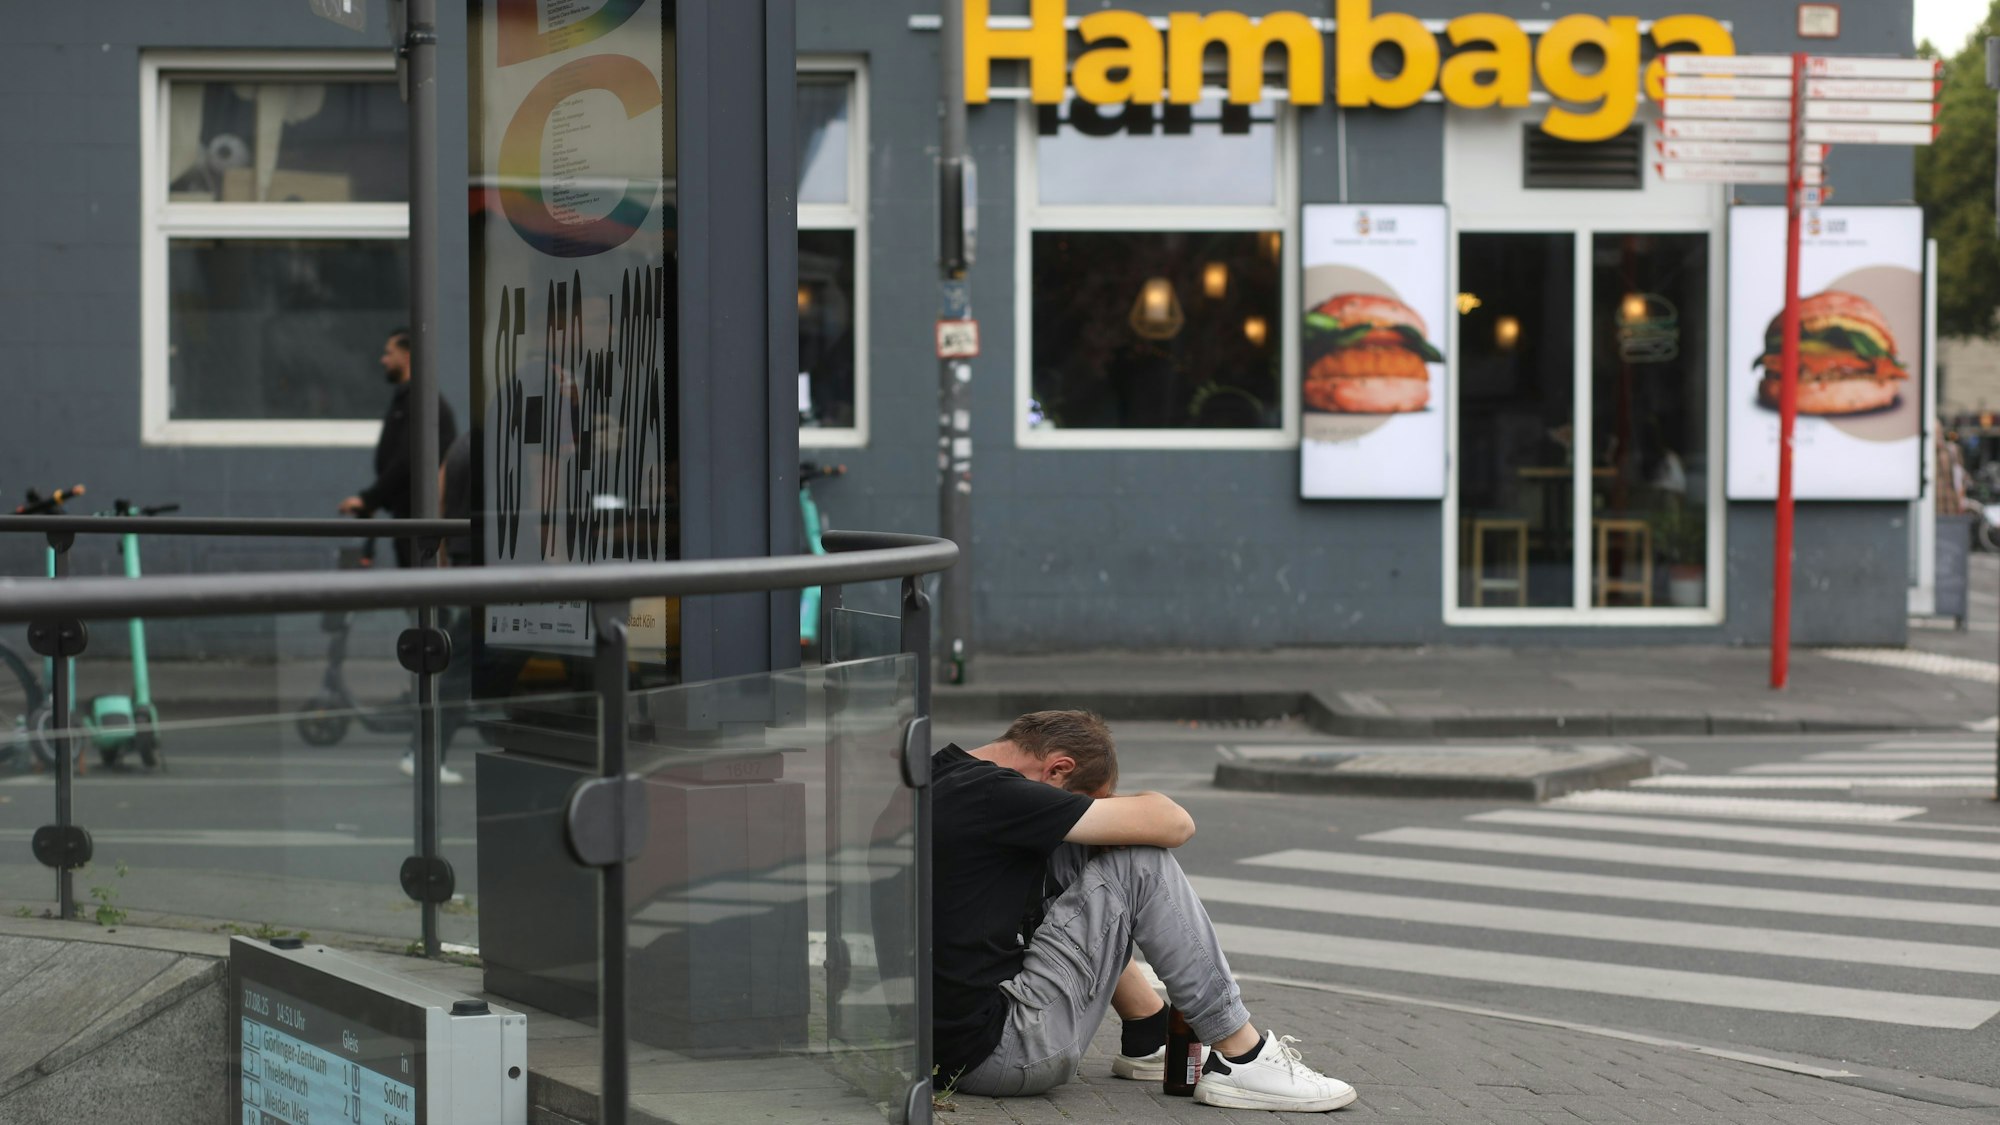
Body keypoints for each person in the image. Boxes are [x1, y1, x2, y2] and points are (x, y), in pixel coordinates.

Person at [933, 710, 1356, 1112]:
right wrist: (1117, 815)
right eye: (1088, 799)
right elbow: (1174, 823)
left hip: (935, 1046)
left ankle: (1149, 1029)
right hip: (999, 1054)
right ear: (1058, 769)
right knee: (1137, 861)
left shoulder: (940, 773)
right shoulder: (999, 795)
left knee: (1074, 848)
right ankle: (1242, 1056)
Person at [339, 328, 458, 568]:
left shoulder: (420, 401)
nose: (383, 359)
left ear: (406, 357)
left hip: (420, 517)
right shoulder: (409, 399)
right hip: (409, 513)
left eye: (388, 353)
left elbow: (408, 459)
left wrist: (369, 499)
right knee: (418, 592)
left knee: (423, 591)